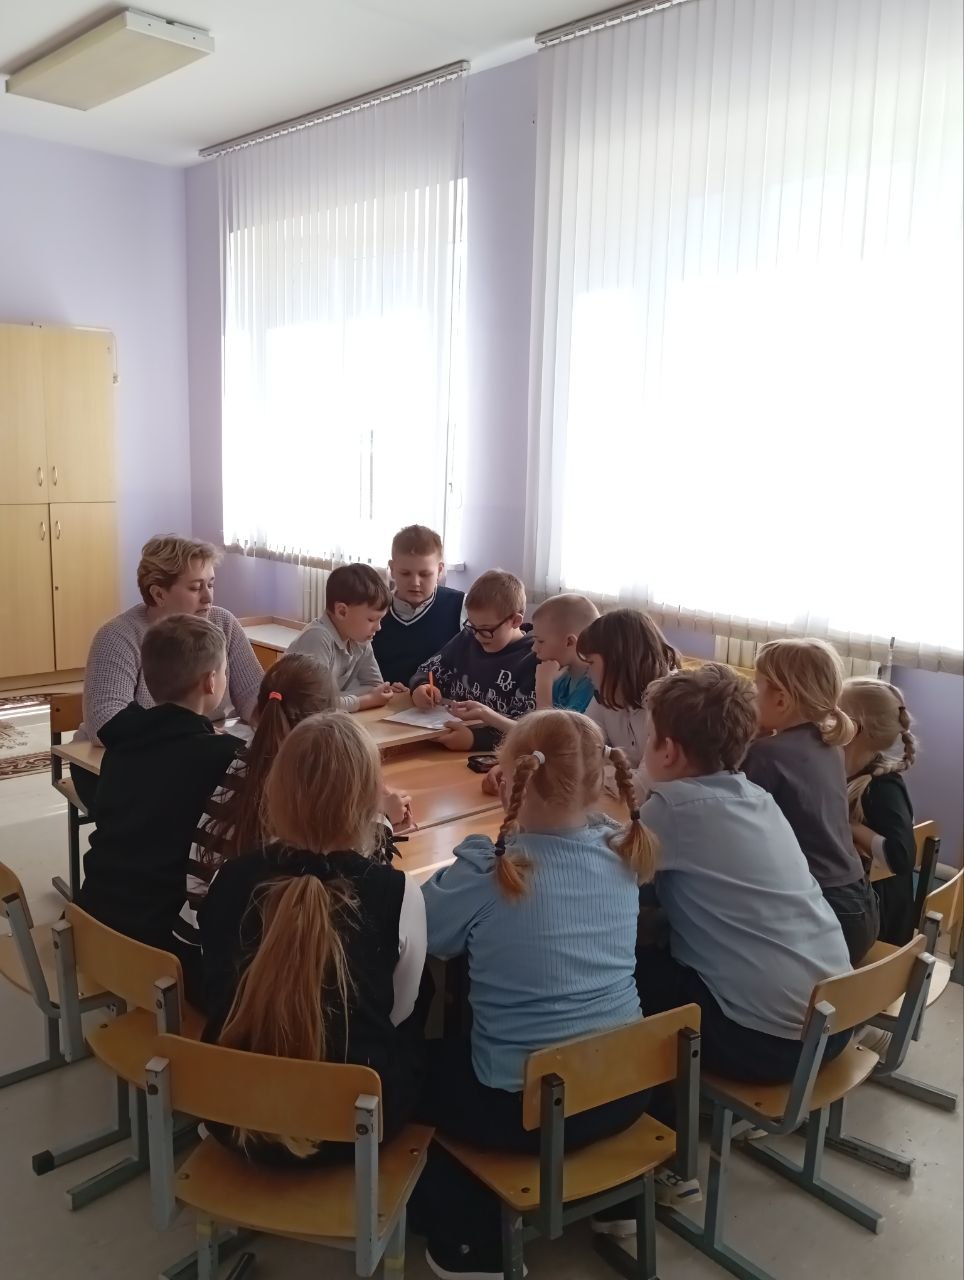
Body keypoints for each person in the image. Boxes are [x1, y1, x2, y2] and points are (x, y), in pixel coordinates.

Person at [595, 664, 853, 1237]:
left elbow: (598, 876)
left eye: (649, 736)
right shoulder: (754, 795)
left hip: (770, 1045)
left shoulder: (672, 811)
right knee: (657, 958)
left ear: (667, 749)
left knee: (618, 983)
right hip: (834, 1023)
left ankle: (657, 1160)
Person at [413, 710, 652, 1278]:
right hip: (625, 1091)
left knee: (414, 1071)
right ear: (601, 783)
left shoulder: (492, 868)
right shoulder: (624, 850)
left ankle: (472, 1240)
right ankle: (617, 1205)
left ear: (507, 780)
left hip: (521, 1112)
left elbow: (423, 931)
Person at [198, 711, 426, 1164]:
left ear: (275, 790)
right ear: (370, 802)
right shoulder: (397, 893)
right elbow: (399, 1011)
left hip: (233, 1115)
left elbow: (217, 982)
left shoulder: (231, 879)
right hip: (355, 1127)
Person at [77, 615, 241, 1005]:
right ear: (211, 682)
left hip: (92, 922)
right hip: (160, 949)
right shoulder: (225, 757)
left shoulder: (121, 743)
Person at [73, 535, 263, 812]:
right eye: (195, 588)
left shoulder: (223, 623)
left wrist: (271, 724)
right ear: (158, 594)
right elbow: (105, 724)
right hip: (114, 769)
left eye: (210, 584)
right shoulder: (118, 636)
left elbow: (254, 695)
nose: (208, 597)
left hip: (193, 758)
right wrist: (193, 732)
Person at [743, 638, 879, 963]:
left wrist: (748, 741)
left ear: (781, 699)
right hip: (861, 905)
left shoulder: (766, 755)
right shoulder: (830, 747)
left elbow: (732, 819)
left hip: (824, 915)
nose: (751, 693)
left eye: (756, 685)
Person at [410, 570, 537, 753]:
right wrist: (421, 686)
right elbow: (427, 670)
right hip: (441, 735)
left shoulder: (533, 657)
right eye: (472, 625)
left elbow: (527, 730)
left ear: (515, 621)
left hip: (491, 754)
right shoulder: (468, 637)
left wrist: (474, 740)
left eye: (486, 629)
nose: (477, 636)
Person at [840, 678, 919, 945]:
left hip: (878, 923)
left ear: (854, 727)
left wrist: (849, 826)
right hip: (861, 908)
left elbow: (901, 857)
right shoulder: (845, 771)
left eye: (834, 714)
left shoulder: (883, 786)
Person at [576, 608, 680, 798]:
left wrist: (600, 768)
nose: (587, 672)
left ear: (617, 660)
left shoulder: (674, 703)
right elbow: (577, 751)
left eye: (591, 663)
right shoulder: (609, 692)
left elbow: (642, 790)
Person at [288, 563, 401, 711]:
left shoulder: (360, 639)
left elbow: (375, 686)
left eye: (380, 620)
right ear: (342, 611)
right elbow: (313, 703)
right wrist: (366, 700)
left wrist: (339, 700)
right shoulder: (317, 638)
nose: (378, 627)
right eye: (372, 619)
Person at [372, 525, 465, 685]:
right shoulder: (371, 610)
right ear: (392, 569)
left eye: (425, 574)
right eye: (405, 573)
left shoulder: (461, 606)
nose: (415, 582)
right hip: (386, 698)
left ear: (440, 570)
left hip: (441, 700)